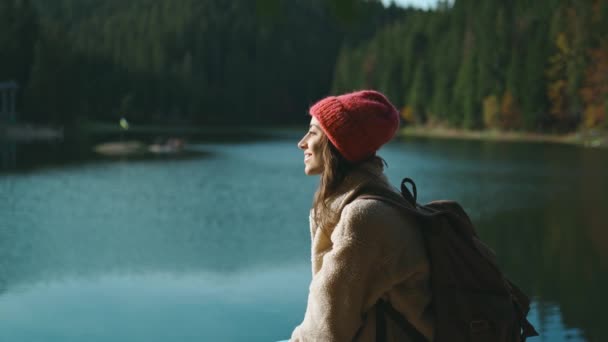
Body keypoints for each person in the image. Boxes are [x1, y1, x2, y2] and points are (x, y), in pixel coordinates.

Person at [289, 90, 435, 341]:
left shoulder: (363, 219)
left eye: (312, 133)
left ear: (336, 143)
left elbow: (324, 333)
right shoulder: (379, 199)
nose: (301, 143)